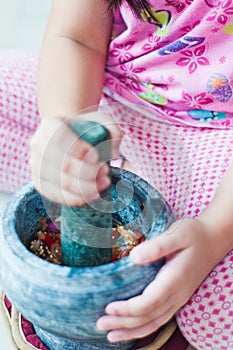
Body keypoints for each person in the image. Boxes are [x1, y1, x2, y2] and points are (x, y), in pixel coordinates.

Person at [1, 1, 233, 349]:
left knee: (215, 317)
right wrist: (64, 123)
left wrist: (214, 233)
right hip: (112, 93)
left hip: (216, 132)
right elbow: (76, 37)